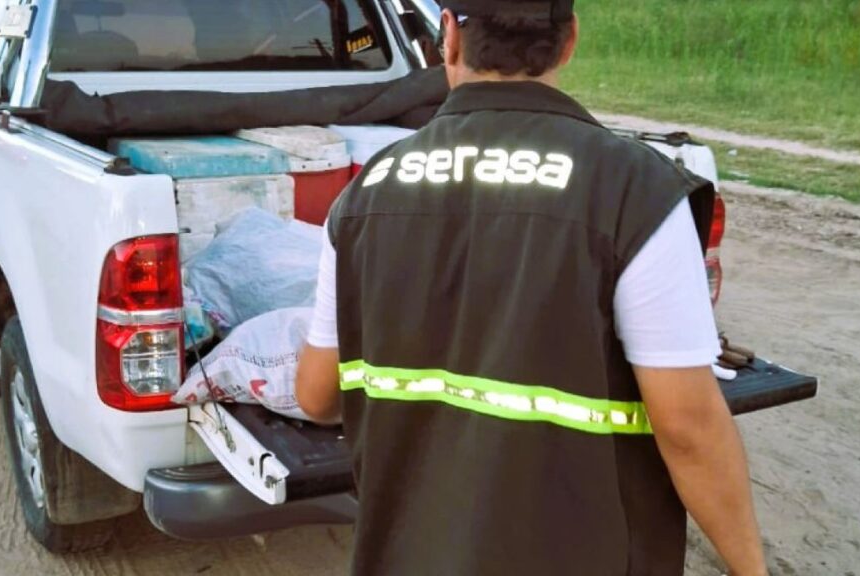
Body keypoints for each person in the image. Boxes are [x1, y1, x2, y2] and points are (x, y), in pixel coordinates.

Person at [296, 1, 767, 574]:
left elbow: (317, 397)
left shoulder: (363, 195)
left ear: (449, 38)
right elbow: (688, 426)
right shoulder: (634, 188)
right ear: (569, 41)